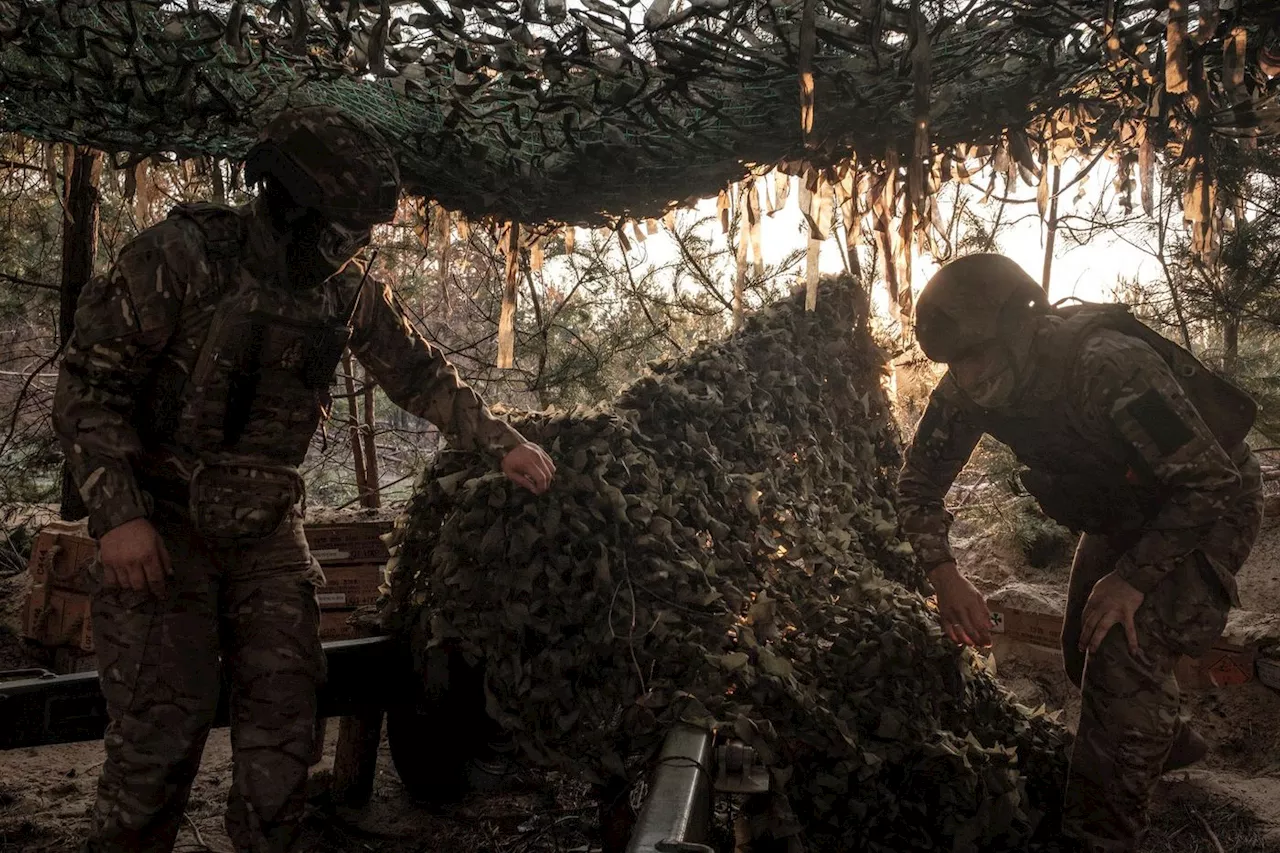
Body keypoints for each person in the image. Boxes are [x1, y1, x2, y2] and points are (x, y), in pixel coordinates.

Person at [53, 104, 556, 853]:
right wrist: (119, 515)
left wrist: (503, 441)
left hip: (266, 531)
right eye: (340, 226)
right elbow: (89, 388)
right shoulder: (184, 257)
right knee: (158, 741)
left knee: (285, 736)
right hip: (161, 525)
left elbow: (418, 371)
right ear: (290, 202)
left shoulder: (347, 291)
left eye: (360, 232)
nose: (350, 246)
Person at [896, 253, 1262, 853]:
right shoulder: (967, 385)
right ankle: (1162, 743)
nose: (971, 377)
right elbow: (918, 486)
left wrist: (1134, 580)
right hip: (1123, 509)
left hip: (1206, 504)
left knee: (1122, 649)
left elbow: (1207, 482)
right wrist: (944, 573)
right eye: (956, 365)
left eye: (980, 357)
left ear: (1022, 328)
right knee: (1079, 649)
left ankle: (1098, 836)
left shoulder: (1107, 366)